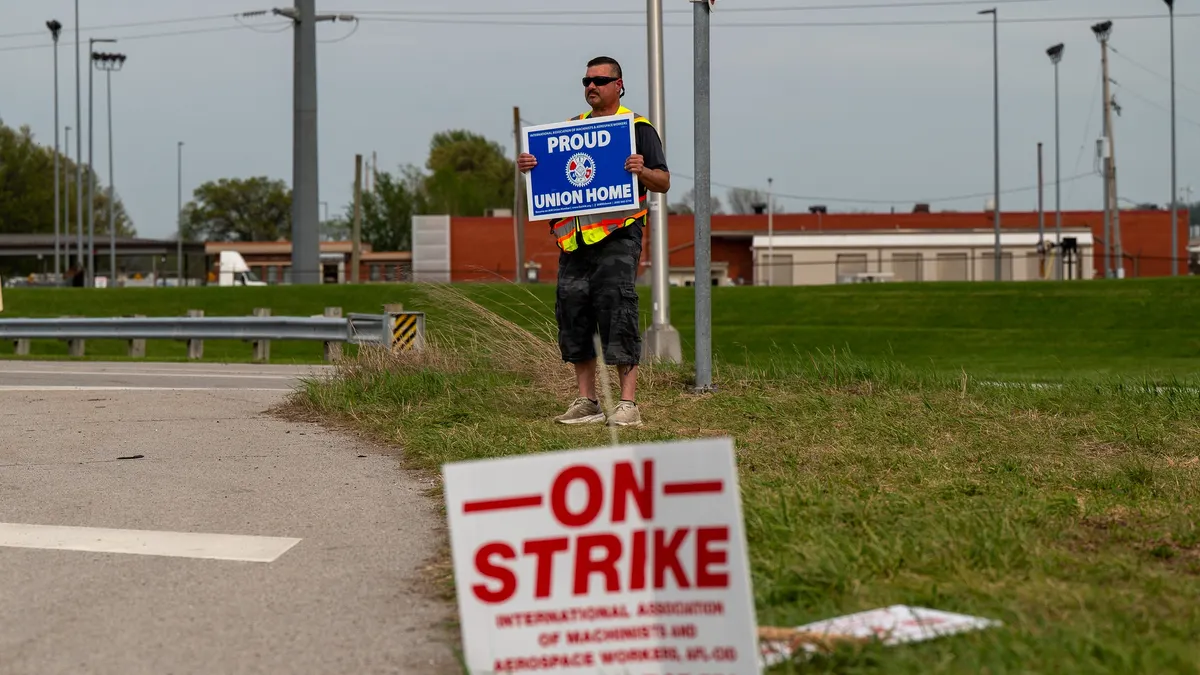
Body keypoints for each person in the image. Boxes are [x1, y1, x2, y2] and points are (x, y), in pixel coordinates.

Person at [517, 55, 671, 428]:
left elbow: (663, 182)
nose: (591, 87)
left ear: (619, 85)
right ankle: (587, 402)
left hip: (618, 236)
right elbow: (557, 180)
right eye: (586, 81)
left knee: (617, 309)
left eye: (600, 80)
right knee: (573, 313)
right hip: (574, 240)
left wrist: (642, 170)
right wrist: (533, 169)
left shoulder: (637, 128)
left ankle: (627, 404)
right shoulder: (571, 130)